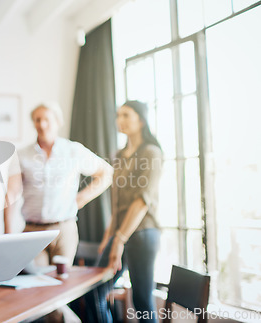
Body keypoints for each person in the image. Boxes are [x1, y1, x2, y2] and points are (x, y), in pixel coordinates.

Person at [4, 102, 113, 267]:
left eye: (46, 119)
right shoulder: (21, 155)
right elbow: (11, 194)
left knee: (62, 284)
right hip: (32, 231)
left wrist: (81, 198)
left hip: (64, 230)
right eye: (37, 119)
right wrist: (8, 234)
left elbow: (106, 173)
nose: (42, 124)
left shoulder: (73, 151)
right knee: (36, 284)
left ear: (58, 122)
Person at [93, 100, 163, 323]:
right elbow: (117, 202)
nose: (119, 120)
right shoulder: (119, 155)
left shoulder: (151, 153)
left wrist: (119, 239)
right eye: (118, 115)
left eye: (126, 115)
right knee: (95, 291)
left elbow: (142, 200)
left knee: (142, 300)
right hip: (120, 233)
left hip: (143, 233)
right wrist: (109, 236)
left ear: (141, 121)